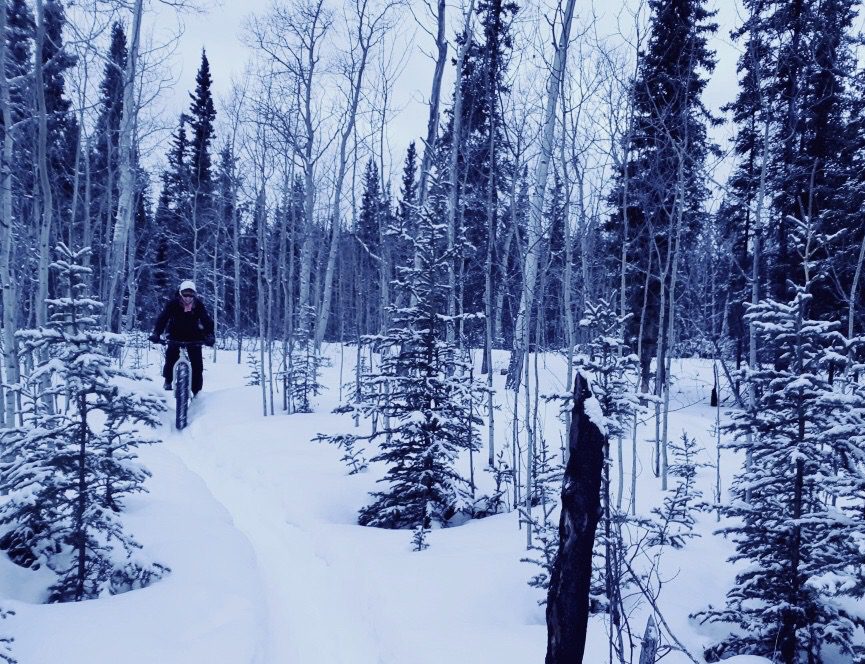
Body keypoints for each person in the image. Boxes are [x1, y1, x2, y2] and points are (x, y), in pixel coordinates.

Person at [149, 280, 215, 395]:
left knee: (197, 365)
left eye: (191, 295)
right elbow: (163, 318)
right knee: (171, 357)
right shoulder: (173, 304)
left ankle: (196, 392)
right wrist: (156, 333)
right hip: (175, 334)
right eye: (185, 294)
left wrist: (209, 336)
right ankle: (168, 380)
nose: (188, 298)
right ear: (180, 293)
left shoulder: (198, 305)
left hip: (194, 336)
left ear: (194, 294)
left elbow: (206, 321)